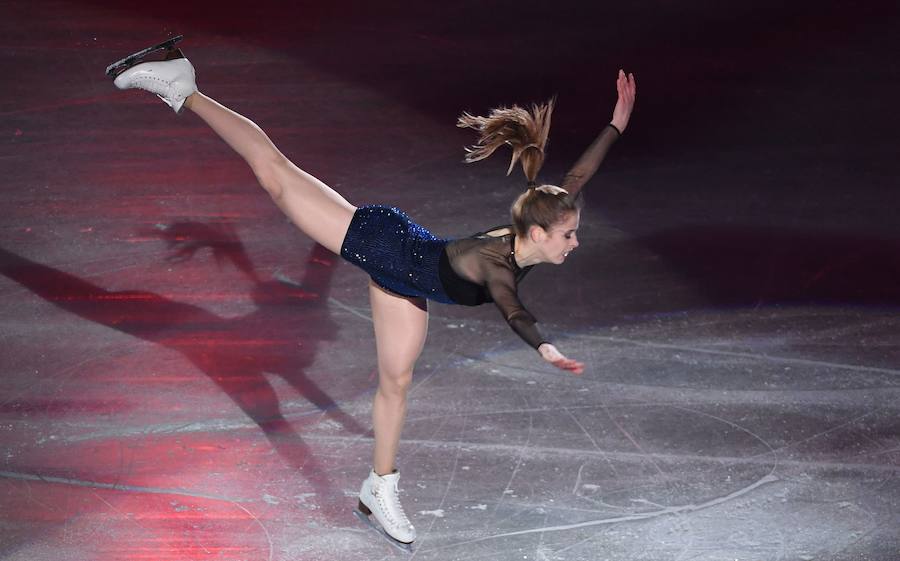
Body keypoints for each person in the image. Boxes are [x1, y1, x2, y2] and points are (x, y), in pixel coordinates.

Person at [107, 39, 636, 546]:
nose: (576, 240)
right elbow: (512, 308)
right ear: (540, 236)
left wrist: (616, 124)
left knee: (396, 382)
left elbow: (578, 174)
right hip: (383, 246)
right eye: (570, 235)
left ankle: (378, 489)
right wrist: (544, 347)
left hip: (406, 278)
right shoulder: (498, 264)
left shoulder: (541, 217)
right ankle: (186, 88)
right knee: (275, 174)